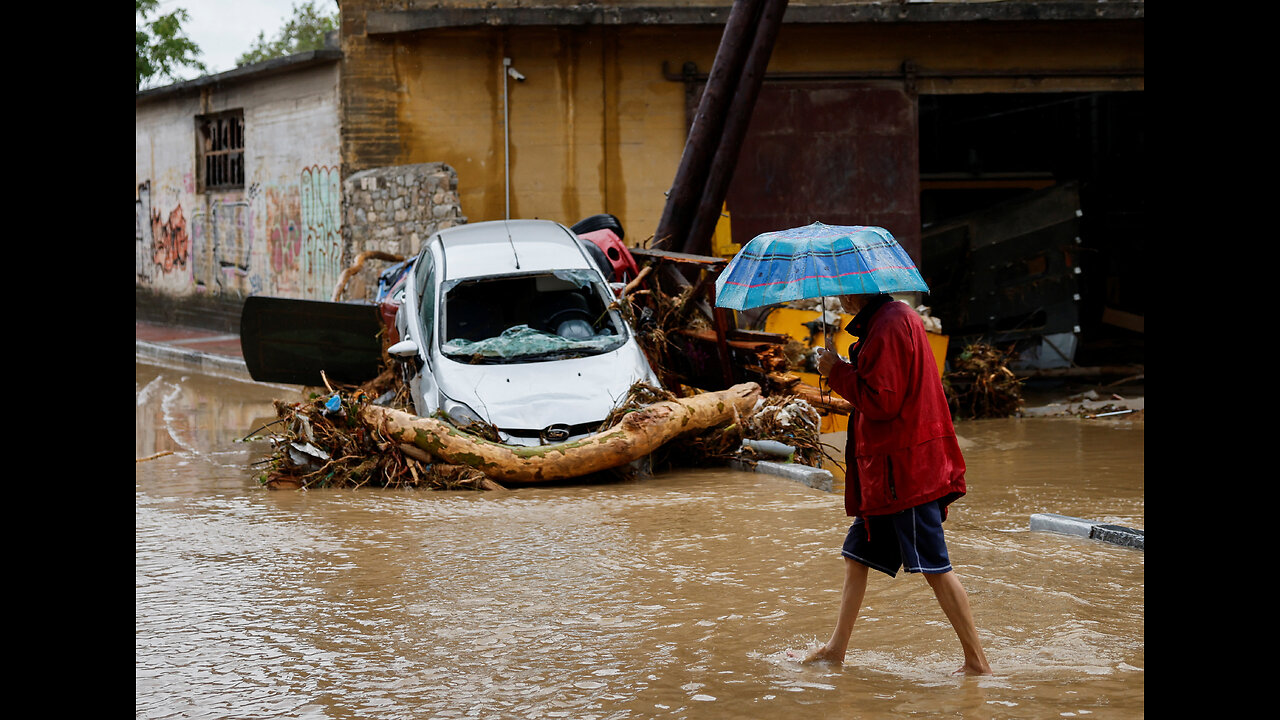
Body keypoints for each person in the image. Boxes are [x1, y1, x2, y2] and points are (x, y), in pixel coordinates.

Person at [798, 293, 991, 676]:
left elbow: (883, 402)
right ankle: (835, 649)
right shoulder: (892, 318)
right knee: (857, 556)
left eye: (841, 290)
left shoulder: (887, 325)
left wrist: (836, 370)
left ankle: (977, 662)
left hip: (905, 471)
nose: (838, 298)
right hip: (889, 471)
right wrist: (844, 366)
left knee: (935, 566)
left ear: (857, 289)